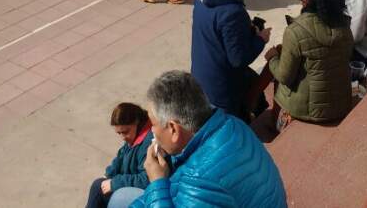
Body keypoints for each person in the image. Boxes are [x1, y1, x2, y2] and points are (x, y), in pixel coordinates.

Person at [108, 71, 286, 207]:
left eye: (153, 124)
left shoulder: (199, 181)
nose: (152, 131)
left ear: (173, 129)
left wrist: (157, 182)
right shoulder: (232, 124)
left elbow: (197, 186)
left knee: (118, 199)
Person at [264, 0, 353, 127]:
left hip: (307, 111)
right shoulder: (344, 23)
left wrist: (272, 58)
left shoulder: (295, 31)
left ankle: (273, 124)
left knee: (277, 64)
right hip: (341, 104)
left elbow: (284, 77)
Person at [191, 0, 269, 120]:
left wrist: (245, 29)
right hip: (222, 88)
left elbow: (217, 29)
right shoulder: (233, 12)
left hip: (200, 77)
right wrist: (260, 40)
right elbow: (238, 59)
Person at [85, 103, 153, 208]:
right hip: (129, 185)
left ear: (136, 122)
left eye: (125, 132)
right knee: (99, 185)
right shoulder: (135, 135)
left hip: (144, 194)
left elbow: (147, 179)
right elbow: (122, 155)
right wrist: (109, 174)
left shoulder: (149, 144)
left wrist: (115, 183)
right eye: (119, 133)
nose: (123, 137)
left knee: (98, 188)